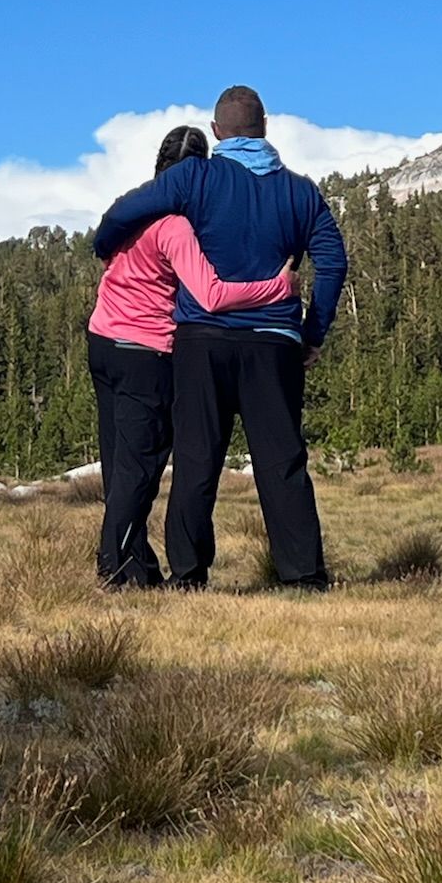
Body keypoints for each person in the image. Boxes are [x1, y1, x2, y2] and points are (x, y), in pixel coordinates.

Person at [93, 85, 348, 590]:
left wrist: (105, 244)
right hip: (275, 341)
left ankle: (188, 574)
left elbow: (125, 212)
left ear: (217, 132)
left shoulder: (196, 177)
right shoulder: (301, 191)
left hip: (201, 341)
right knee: (282, 459)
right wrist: (312, 331)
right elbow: (334, 261)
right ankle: (302, 576)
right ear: (267, 126)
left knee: (196, 458)